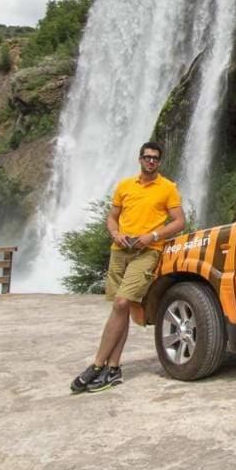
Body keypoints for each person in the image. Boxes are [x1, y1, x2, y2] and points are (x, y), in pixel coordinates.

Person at [70, 141, 185, 394]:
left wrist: (153, 236)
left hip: (147, 252)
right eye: (147, 157)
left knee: (122, 303)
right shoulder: (124, 186)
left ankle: (97, 364)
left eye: (155, 158)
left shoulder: (168, 188)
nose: (151, 161)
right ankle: (114, 369)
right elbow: (112, 216)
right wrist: (115, 233)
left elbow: (179, 222)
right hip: (119, 250)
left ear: (160, 161)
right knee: (119, 309)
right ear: (140, 159)